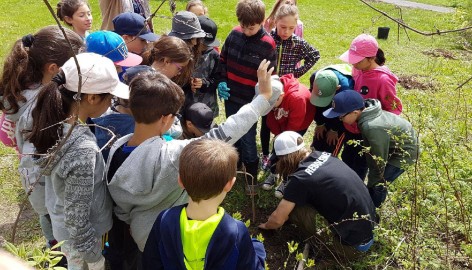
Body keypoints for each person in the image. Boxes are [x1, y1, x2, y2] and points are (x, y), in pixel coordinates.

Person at [105, 59, 280, 252]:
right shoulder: (171, 156)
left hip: (137, 232)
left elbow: (120, 207)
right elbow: (225, 133)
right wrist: (263, 98)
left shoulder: (116, 149)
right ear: (166, 118)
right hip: (168, 238)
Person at [27, 53, 130, 269]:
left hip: (63, 226)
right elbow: (77, 220)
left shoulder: (54, 121)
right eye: (109, 96)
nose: (112, 102)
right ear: (91, 97)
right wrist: (94, 258)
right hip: (85, 242)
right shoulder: (82, 150)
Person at [0, 26, 84, 251]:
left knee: (46, 214)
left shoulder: (22, 86)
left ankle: (53, 243)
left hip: (31, 170)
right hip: (41, 173)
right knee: (51, 213)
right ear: (54, 68)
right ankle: (56, 248)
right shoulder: (45, 104)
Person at [143, 139, 266, 269]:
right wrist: (258, 249)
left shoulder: (165, 220)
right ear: (230, 184)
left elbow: (149, 263)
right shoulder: (236, 232)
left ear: (180, 181)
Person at [259, 131, 376, 261]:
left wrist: (265, 226)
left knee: (296, 210)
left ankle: (328, 251)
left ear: (285, 159)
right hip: (372, 229)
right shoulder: (325, 155)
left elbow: (277, 220)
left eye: (279, 160)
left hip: (353, 248)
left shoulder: (300, 179)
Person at [219, 0, 277, 194]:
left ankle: (251, 174)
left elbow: (269, 76)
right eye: (243, 26)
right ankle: (233, 166)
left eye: (251, 27)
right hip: (231, 96)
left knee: (248, 139)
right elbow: (223, 60)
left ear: (261, 22)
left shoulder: (267, 45)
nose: (245, 30)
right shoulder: (234, 34)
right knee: (231, 132)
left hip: (250, 102)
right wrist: (222, 80)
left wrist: (260, 98)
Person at [324, 90, 419, 207]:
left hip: (405, 153)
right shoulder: (368, 112)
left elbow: (378, 162)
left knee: (379, 184)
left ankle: (373, 212)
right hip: (391, 145)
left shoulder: (371, 127)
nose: (340, 119)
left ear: (354, 113)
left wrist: (371, 185)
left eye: (340, 117)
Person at [260, 1, 319, 168]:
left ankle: (283, 153)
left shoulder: (297, 43)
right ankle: (265, 154)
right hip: (269, 88)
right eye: (283, 27)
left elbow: (315, 55)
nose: (286, 32)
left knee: (284, 119)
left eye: (291, 28)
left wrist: (296, 73)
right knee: (266, 121)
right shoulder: (268, 39)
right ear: (275, 22)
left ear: (296, 27)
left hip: (287, 89)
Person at [339, 33, 403, 180]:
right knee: (347, 158)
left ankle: (354, 194)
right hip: (351, 127)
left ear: (371, 58)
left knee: (359, 167)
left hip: (367, 133)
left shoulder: (383, 80)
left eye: (357, 60)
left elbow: (393, 109)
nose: (353, 64)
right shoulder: (358, 70)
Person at [259, 74, 315, 198]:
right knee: (277, 148)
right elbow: (271, 120)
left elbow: (293, 129)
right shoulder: (272, 93)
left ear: (281, 96)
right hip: (282, 121)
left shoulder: (297, 98)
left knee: (290, 153)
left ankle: (287, 179)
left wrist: (283, 140)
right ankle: (274, 173)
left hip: (298, 125)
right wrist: (278, 135)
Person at [309, 64, 354, 155]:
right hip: (325, 110)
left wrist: (334, 129)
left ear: (337, 88)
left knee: (331, 145)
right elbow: (316, 104)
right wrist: (320, 123)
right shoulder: (315, 78)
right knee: (318, 142)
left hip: (341, 116)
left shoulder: (347, 89)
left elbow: (344, 114)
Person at [185, 15, 221, 117]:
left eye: (207, 44)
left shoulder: (214, 56)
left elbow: (217, 79)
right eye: (202, 43)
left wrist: (204, 83)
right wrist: (188, 82)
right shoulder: (185, 52)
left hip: (207, 104)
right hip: (186, 102)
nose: (204, 46)